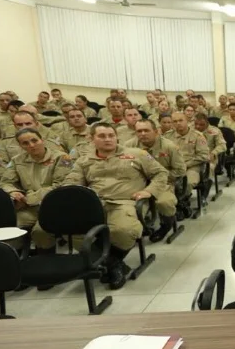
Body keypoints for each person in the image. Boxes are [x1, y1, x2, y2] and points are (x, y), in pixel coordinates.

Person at [63, 122, 169, 289]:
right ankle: (113, 263)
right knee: (71, 231)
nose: (107, 139)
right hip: (94, 203)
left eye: (111, 136)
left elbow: (161, 173)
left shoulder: (137, 154)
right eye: (102, 136)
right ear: (92, 139)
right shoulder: (84, 161)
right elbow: (72, 183)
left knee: (124, 230)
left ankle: (111, 262)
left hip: (125, 202)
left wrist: (149, 191)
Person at [0, 128, 74, 252]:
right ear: (20, 146)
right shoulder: (17, 160)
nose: (31, 145)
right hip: (28, 209)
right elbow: (5, 182)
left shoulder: (62, 158)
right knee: (8, 227)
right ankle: (14, 259)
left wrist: (29, 199)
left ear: (42, 140)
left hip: (53, 206)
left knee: (41, 232)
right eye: (25, 143)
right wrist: (13, 192)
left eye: (34, 140)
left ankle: (47, 257)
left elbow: (60, 186)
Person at [125, 119, 183, 242]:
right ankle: (139, 227)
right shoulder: (129, 146)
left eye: (146, 130)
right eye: (139, 131)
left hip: (164, 183)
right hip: (138, 183)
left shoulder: (169, 146)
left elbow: (180, 171)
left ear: (156, 132)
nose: (143, 134)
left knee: (165, 202)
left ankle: (166, 225)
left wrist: (158, 179)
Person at [164, 112, 210, 189]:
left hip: (192, 167)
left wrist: (186, 164)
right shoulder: (167, 136)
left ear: (187, 121)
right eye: (175, 121)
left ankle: (183, 198)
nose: (178, 123)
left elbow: (203, 155)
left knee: (188, 183)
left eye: (181, 120)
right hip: (173, 167)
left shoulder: (197, 136)